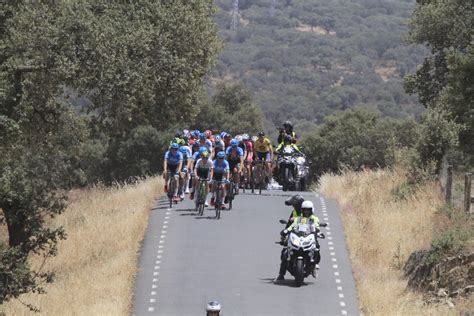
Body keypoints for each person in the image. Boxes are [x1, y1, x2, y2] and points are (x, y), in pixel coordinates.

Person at [276, 200, 321, 281]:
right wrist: (286, 231)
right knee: (285, 253)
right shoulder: (298, 218)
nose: (306, 211)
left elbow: (317, 226)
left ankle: (314, 266)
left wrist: (317, 231)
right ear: (302, 210)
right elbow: (293, 226)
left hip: (309, 237)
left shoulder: (314, 218)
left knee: (317, 248)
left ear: (312, 210)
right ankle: (281, 274)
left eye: (308, 209)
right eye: (305, 209)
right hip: (298, 237)